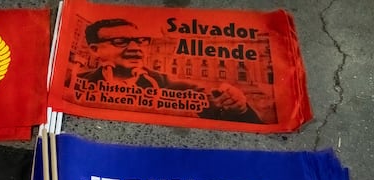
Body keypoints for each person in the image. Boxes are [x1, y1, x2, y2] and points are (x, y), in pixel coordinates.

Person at [77, 19, 262, 123]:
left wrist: (239, 107)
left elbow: (215, 105)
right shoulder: (77, 82)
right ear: (94, 50)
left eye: (141, 41)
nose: (135, 48)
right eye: (121, 42)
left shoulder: (168, 84)